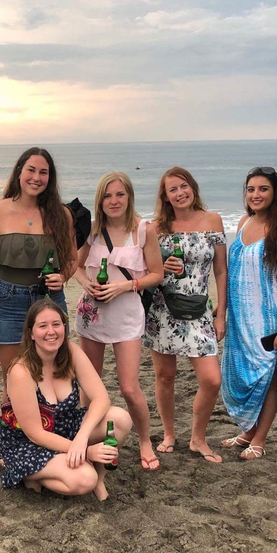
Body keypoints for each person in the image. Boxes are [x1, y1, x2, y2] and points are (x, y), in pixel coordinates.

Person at [0, 300, 133, 500]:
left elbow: (101, 398)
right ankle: (30, 475)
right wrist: (86, 451)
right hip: (28, 442)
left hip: (67, 429)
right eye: (42, 326)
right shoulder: (21, 371)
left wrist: (81, 438)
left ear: (64, 327)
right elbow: (35, 433)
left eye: (56, 324)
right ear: (31, 333)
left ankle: (100, 478)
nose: (51, 331)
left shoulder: (70, 351)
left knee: (120, 419)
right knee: (85, 479)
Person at [73, 172, 164, 470]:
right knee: (90, 384)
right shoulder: (92, 231)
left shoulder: (143, 230)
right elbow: (72, 264)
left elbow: (156, 274)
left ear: (129, 197)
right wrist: (86, 283)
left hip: (127, 314)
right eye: (108, 196)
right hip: (93, 314)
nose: (114, 201)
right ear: (100, 200)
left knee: (128, 387)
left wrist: (124, 286)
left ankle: (145, 441)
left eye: (119, 195)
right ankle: (89, 440)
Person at [0, 147, 75, 394]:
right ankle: (13, 430)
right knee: (12, 375)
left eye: (43, 172)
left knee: (54, 372)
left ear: (50, 178)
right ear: (19, 172)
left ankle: (50, 427)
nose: (36, 177)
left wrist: (63, 277)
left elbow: (71, 259)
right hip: (8, 301)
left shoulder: (62, 214)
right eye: (31, 170)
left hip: (50, 301)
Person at [143, 167, 227, 463]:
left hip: (199, 311)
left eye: (183, 186)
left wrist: (221, 313)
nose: (180, 193)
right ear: (165, 197)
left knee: (211, 379)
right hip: (163, 309)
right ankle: (168, 433)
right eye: (172, 190)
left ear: (192, 187)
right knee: (165, 376)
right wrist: (162, 269)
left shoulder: (212, 220)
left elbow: (220, 270)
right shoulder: (155, 228)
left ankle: (198, 438)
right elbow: (146, 271)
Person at [220, 167, 277, 460]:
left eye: (263, 189)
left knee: (270, 376)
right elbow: (233, 272)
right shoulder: (243, 222)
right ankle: (248, 432)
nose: (256, 195)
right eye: (251, 189)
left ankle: (260, 439)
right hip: (241, 319)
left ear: (275, 193)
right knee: (245, 375)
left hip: (271, 318)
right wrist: (223, 307)